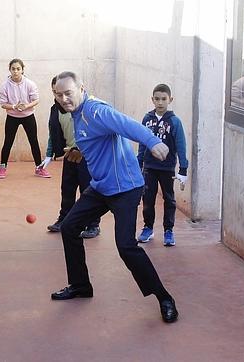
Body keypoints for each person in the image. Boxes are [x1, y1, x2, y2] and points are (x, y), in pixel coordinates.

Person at [49, 71, 178, 324]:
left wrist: (153, 142)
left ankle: (164, 298)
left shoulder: (96, 110)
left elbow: (125, 123)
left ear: (81, 88)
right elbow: (98, 139)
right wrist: (80, 150)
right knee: (70, 227)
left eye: (68, 92)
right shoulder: (77, 114)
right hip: (101, 187)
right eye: (58, 94)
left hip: (125, 188)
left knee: (126, 246)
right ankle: (80, 285)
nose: (64, 98)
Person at [42, 76, 101, 238]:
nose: (61, 97)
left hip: (87, 156)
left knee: (88, 191)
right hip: (69, 155)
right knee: (67, 189)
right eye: (56, 93)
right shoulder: (55, 110)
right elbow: (53, 134)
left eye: (64, 92)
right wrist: (49, 154)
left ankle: (93, 224)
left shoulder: (84, 108)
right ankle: (64, 219)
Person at [137, 84, 189, 246]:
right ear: (152, 99)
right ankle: (148, 228)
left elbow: (181, 145)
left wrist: (183, 168)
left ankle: (168, 230)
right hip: (150, 167)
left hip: (167, 168)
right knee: (148, 198)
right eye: (157, 99)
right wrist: (139, 162)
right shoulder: (147, 119)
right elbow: (142, 142)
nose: (160, 102)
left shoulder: (175, 122)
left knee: (169, 199)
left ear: (170, 100)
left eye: (164, 99)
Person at [0, 59, 47, 178]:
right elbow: (2, 103)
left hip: (28, 116)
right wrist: (14, 106)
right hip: (12, 117)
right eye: (13, 69)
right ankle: (2, 167)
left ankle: (39, 168)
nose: (15, 71)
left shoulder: (30, 84)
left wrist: (26, 106)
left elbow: (36, 100)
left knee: (33, 141)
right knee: (8, 142)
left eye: (18, 69)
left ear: (23, 70)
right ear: (10, 70)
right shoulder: (5, 85)